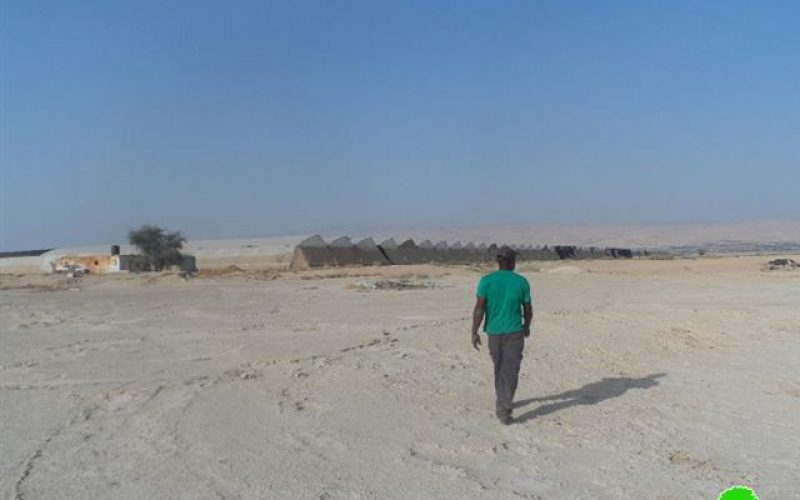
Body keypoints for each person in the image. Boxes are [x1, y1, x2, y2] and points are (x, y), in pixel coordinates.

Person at [471, 246, 533, 424]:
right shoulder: (521, 281)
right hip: (514, 331)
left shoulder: (486, 281)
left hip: (493, 332)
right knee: (509, 370)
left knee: (500, 368)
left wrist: (474, 330)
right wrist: (526, 326)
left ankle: (503, 402)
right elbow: (528, 308)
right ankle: (504, 409)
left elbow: (479, 308)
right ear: (511, 261)